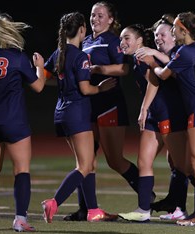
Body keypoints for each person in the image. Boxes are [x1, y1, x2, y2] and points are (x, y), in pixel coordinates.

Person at [63, 1, 155, 222]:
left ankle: (147, 195)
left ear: (111, 19)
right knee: (86, 161)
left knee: (114, 159)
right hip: (88, 105)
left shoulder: (114, 41)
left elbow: (124, 68)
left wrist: (100, 69)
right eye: (93, 15)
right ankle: (85, 209)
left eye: (100, 15)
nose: (95, 18)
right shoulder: (84, 42)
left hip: (109, 105)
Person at [40, 11, 117, 224]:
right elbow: (86, 90)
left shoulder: (58, 54)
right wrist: (99, 88)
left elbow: (43, 79)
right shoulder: (81, 56)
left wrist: (65, 83)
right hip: (77, 112)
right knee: (84, 166)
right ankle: (53, 203)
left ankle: (92, 210)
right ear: (82, 29)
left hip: (61, 113)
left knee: (87, 164)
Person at [146, 11, 195, 226]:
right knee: (194, 165)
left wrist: (152, 63)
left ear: (183, 31)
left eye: (174, 28)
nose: (171, 31)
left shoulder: (186, 52)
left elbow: (163, 74)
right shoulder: (193, 50)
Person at [0, 13, 46, 232]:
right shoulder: (18, 57)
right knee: (21, 170)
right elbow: (39, 87)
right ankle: (20, 219)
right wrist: (40, 67)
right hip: (14, 121)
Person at [117, 22, 190, 222]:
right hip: (154, 116)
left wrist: (143, 108)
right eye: (121, 38)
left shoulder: (142, 56)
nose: (122, 42)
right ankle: (143, 210)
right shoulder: (137, 57)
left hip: (165, 113)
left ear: (140, 40)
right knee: (144, 162)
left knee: (184, 166)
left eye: (127, 38)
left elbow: (154, 81)